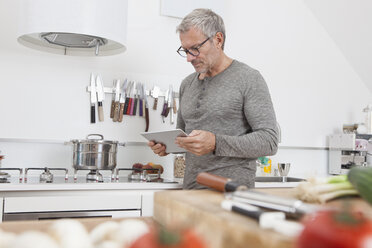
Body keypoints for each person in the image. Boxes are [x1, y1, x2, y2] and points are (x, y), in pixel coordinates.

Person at [148, 8, 279, 189]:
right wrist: (167, 146)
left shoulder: (248, 78)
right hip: (192, 190)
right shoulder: (187, 84)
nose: (188, 58)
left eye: (195, 49)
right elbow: (184, 137)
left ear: (218, 39)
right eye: (185, 50)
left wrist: (216, 143)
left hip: (233, 194)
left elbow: (270, 141)